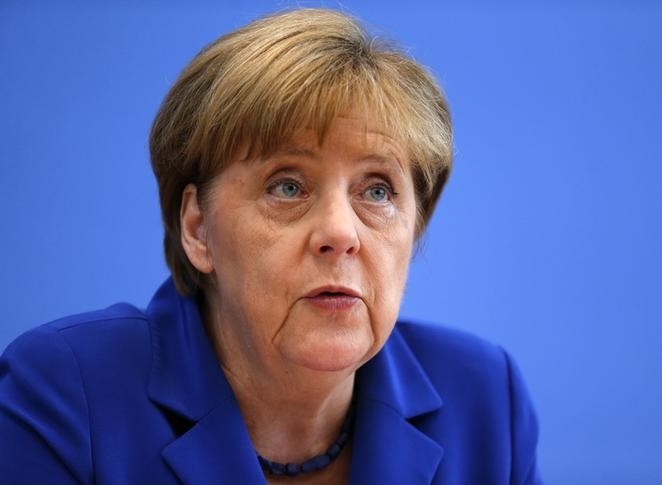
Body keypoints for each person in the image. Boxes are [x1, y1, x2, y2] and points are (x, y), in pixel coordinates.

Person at [0, 8, 541, 484]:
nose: (341, 233)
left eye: (377, 190)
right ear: (197, 228)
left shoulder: (486, 399)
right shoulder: (69, 393)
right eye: (288, 186)